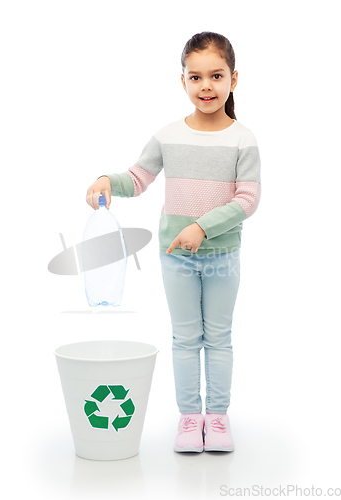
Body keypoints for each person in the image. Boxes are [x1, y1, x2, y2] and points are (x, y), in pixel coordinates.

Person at [86, 31, 261, 453]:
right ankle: (189, 418)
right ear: (182, 81)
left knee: (218, 337)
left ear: (233, 80)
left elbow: (248, 199)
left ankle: (216, 418)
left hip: (222, 256)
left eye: (216, 76)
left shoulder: (243, 139)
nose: (206, 86)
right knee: (185, 338)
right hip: (175, 258)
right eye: (196, 77)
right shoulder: (167, 135)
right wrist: (107, 179)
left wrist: (202, 227)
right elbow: (138, 178)